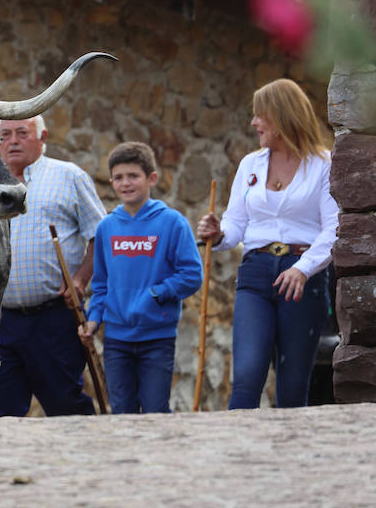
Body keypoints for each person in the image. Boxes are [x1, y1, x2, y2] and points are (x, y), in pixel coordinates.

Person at [196, 78, 338, 409]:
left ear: (283, 116)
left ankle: (290, 458)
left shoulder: (323, 164)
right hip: (255, 274)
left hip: (303, 278)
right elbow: (236, 224)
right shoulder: (250, 165)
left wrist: (302, 270)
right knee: (245, 377)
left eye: (261, 115)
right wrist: (217, 235)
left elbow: (333, 229)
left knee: (291, 387)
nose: (253, 122)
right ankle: (237, 457)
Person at [0, 115, 105, 417]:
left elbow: (100, 235)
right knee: (2, 409)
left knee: (64, 403)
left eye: (22, 133)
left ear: (43, 137)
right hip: (0, 321)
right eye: (5, 135)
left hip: (53, 316)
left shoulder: (69, 176)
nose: (12, 141)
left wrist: (80, 279)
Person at [80, 142, 202, 414]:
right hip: (116, 339)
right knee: (121, 411)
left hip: (157, 338)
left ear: (152, 178)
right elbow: (100, 285)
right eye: (119, 177)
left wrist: (157, 293)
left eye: (133, 176)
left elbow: (192, 275)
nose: (126, 183)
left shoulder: (173, 223)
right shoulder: (107, 228)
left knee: (155, 410)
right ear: (111, 181)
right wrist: (93, 320)